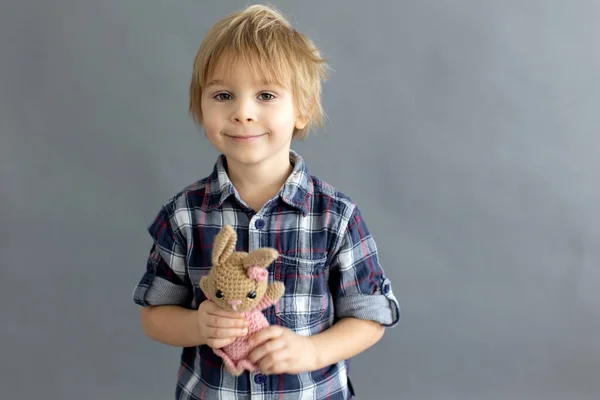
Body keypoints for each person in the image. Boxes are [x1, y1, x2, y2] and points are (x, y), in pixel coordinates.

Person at [132, 4, 400, 399]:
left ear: (302, 110)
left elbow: (371, 316)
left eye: (266, 95)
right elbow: (154, 316)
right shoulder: (184, 215)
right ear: (200, 106)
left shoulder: (335, 216)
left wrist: (312, 350)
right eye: (223, 95)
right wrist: (199, 325)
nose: (243, 113)